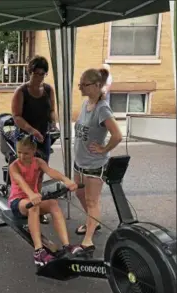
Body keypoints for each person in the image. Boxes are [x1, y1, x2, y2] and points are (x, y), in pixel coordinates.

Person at [8, 135, 84, 267]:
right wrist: (31, 194)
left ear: (33, 150)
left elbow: (51, 172)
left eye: (25, 153)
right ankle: (38, 251)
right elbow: (20, 182)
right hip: (18, 202)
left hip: (34, 199)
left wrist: (66, 180)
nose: (21, 156)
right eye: (19, 152)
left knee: (53, 203)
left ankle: (67, 245)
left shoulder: (38, 162)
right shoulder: (14, 166)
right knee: (34, 207)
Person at [74, 68, 122, 256]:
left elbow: (117, 135)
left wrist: (103, 149)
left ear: (96, 85)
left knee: (91, 200)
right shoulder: (87, 103)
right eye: (80, 84)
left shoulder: (103, 108)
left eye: (83, 85)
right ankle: (92, 222)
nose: (80, 88)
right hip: (80, 161)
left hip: (94, 164)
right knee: (79, 194)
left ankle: (89, 239)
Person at [11, 55, 58, 224]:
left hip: (43, 135)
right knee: (25, 171)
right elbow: (16, 116)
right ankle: (23, 201)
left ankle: (38, 206)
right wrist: (32, 130)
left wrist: (53, 121)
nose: (39, 77)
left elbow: (51, 110)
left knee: (40, 171)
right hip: (25, 136)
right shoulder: (21, 91)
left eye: (42, 74)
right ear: (29, 72)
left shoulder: (48, 90)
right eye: (36, 73)